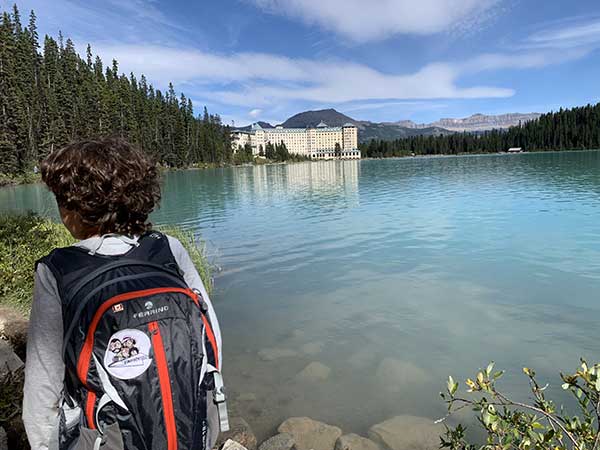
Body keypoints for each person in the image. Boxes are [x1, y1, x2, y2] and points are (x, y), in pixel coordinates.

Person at [23, 138, 226, 450]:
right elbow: (211, 340)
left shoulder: (58, 270)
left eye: (62, 200)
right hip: (192, 429)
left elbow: (43, 384)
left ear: (77, 207)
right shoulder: (167, 247)